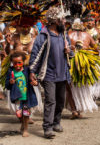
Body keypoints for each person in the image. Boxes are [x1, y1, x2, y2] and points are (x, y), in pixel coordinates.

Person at [29, 7, 73, 139]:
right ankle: (47, 127)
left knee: (60, 100)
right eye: (62, 19)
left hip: (62, 73)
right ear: (55, 21)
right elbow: (36, 54)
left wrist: (68, 51)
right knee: (50, 101)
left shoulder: (64, 34)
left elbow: (71, 54)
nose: (64, 21)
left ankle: (56, 122)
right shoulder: (44, 35)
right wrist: (32, 71)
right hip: (48, 74)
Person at [5, 51, 38, 137]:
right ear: (12, 63)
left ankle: (26, 129)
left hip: (26, 96)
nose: (17, 65)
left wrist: (35, 82)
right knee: (19, 114)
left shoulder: (27, 70)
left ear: (23, 61)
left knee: (26, 113)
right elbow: (7, 85)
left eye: (19, 62)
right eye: (15, 63)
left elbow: (34, 79)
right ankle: (22, 123)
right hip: (17, 97)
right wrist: (10, 82)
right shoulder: (10, 71)